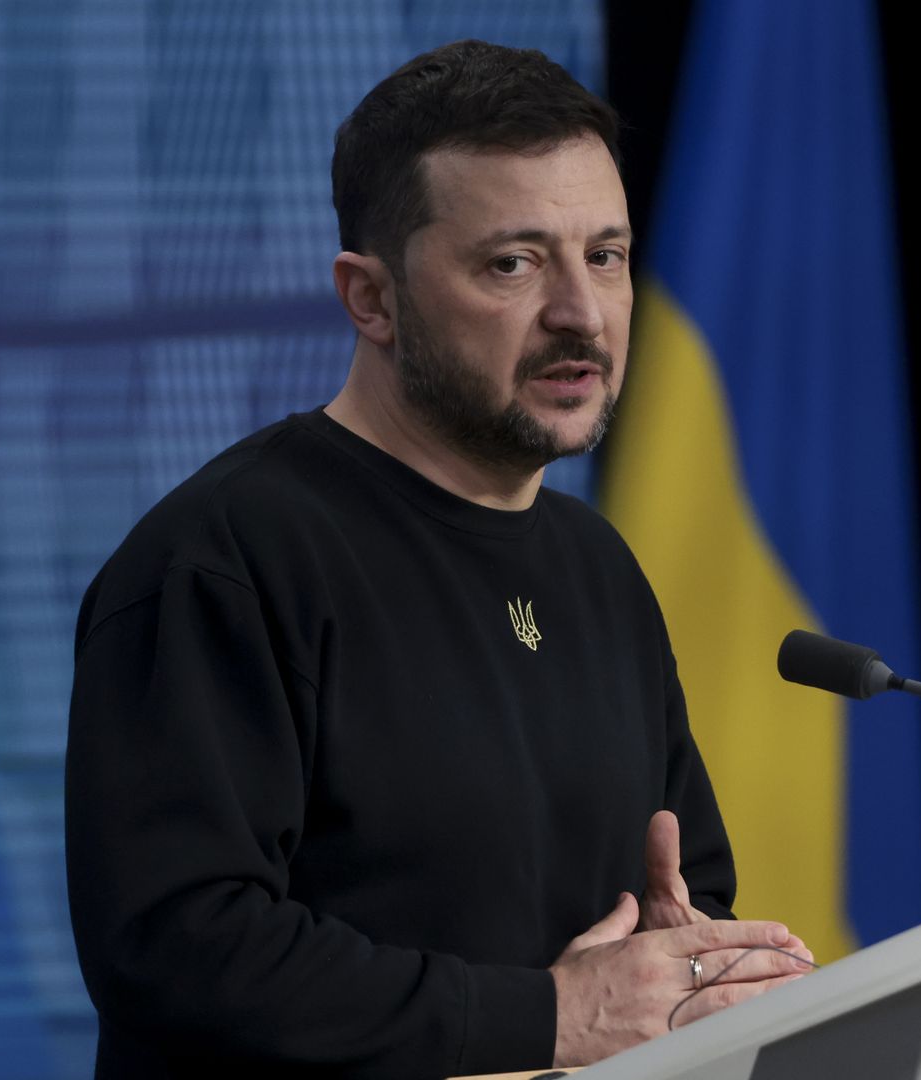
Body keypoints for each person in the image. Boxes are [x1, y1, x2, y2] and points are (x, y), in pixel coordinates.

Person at [65, 39, 811, 1079]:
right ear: (370, 299)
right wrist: (548, 1015)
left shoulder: (601, 571)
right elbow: (179, 949)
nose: (580, 314)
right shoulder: (224, 559)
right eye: (513, 262)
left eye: (605, 255)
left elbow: (689, 895)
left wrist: (689, 967)